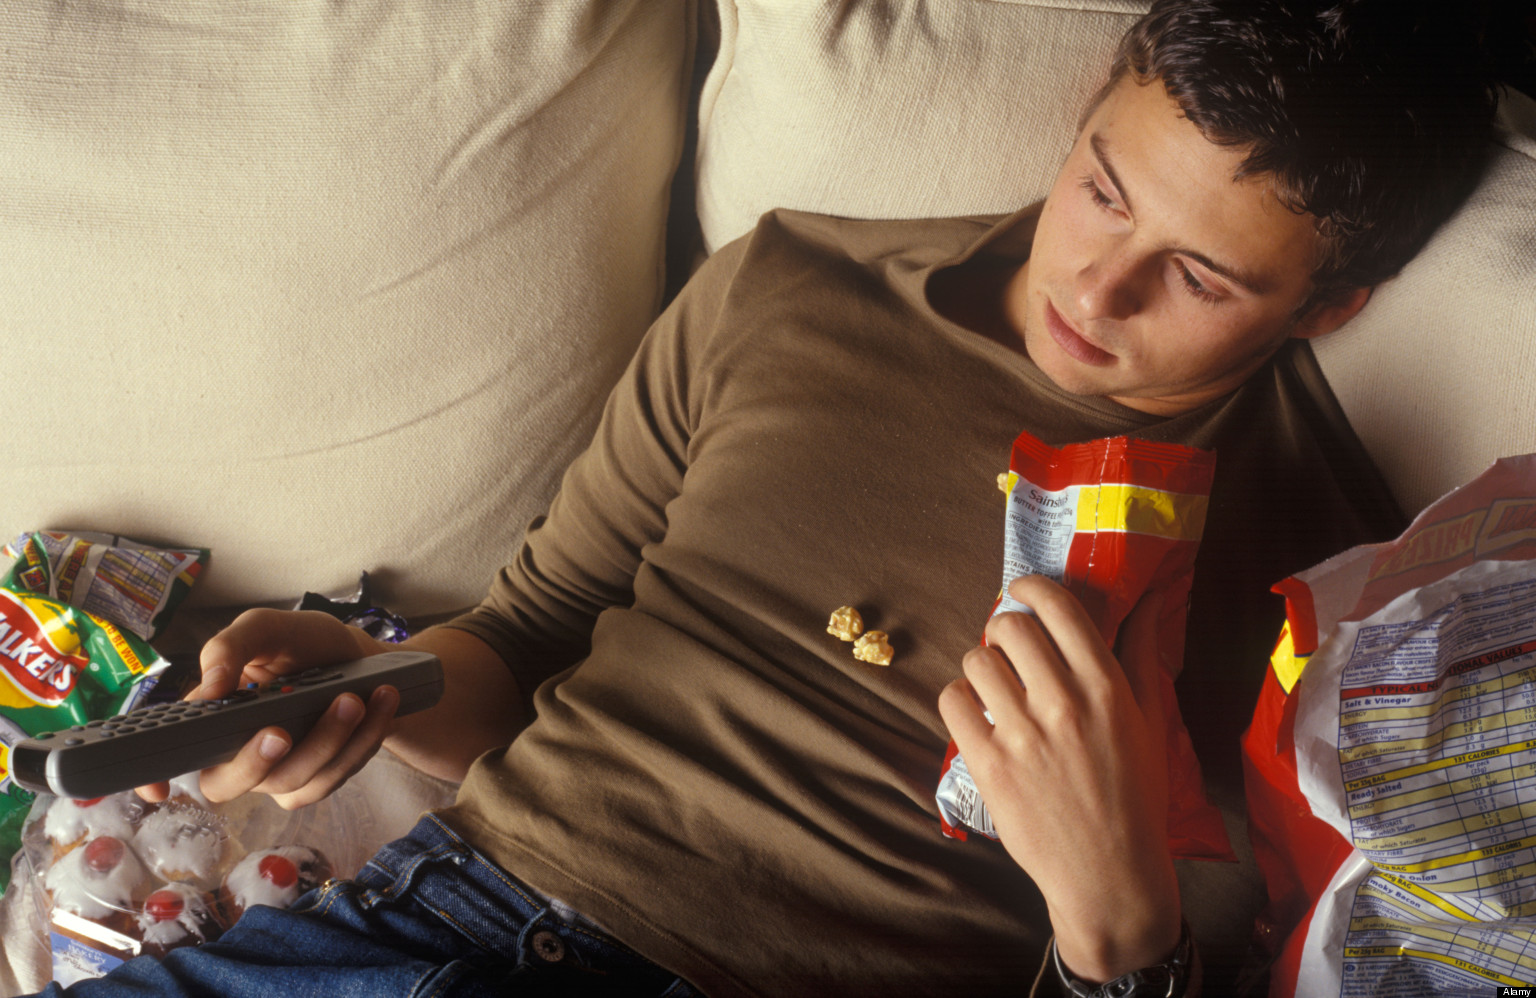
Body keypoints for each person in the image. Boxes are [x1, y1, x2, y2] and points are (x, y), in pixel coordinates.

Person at [34, 1, 1498, 995]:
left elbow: (1251, 937)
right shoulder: (790, 283)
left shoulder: (1326, 556)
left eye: (1198, 275)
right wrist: (372, 688)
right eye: (1106, 189)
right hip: (419, 913)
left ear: (1331, 307)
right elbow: (537, 625)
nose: (1098, 285)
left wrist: (1117, 921)